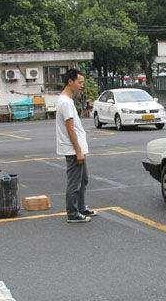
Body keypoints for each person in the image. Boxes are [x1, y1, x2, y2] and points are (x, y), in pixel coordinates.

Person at [56, 69, 96, 223]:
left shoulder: (68, 100)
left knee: (83, 179)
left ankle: (80, 207)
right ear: (70, 82)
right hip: (73, 149)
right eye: (80, 82)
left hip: (77, 148)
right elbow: (70, 128)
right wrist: (78, 151)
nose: (82, 86)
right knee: (75, 182)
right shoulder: (65, 102)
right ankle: (73, 214)